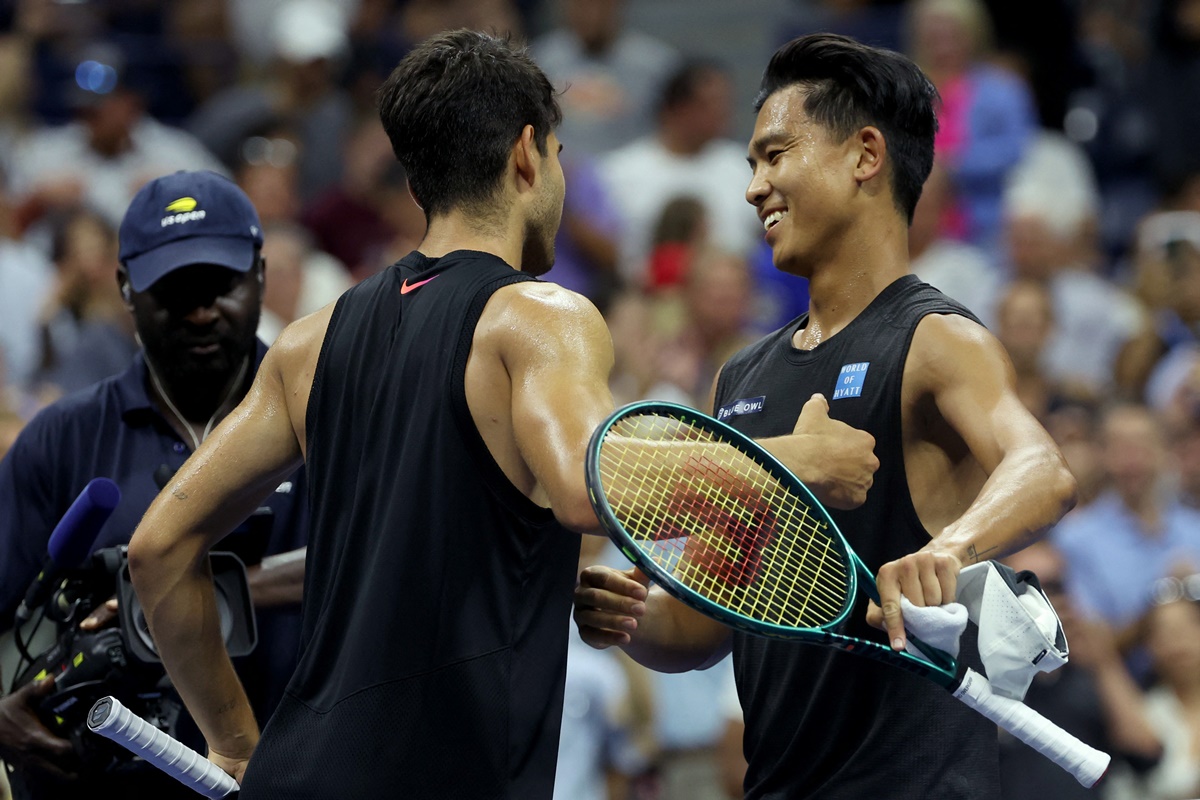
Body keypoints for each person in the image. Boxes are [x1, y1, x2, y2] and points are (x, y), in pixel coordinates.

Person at [124, 30, 877, 800]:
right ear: (526, 154)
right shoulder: (538, 316)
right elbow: (591, 488)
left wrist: (237, 745)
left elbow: (157, 548)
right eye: (556, 153)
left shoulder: (306, 343)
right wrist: (801, 459)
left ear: (417, 183)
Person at [573, 33, 1078, 800]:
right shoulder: (741, 374)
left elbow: (1043, 469)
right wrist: (635, 625)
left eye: (775, 155)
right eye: (751, 165)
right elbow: (715, 622)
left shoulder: (937, 338)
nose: (754, 187)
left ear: (865, 156)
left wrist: (952, 546)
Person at [0, 170, 308, 799]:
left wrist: (186, 587)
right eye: (174, 291)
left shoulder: (329, 419)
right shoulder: (63, 439)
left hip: (294, 772)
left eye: (219, 286)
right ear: (124, 290)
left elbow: (389, 569)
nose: (200, 312)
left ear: (259, 275)